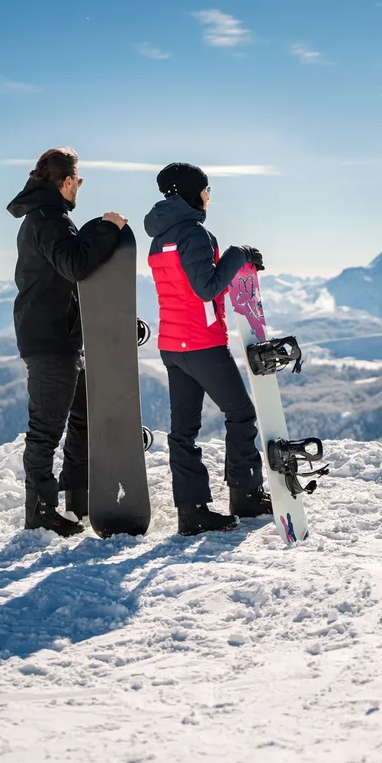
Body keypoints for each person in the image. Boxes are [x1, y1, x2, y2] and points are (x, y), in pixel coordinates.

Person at [144, 162, 273, 536]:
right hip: (202, 344)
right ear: (191, 192)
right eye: (206, 189)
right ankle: (246, 495)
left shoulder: (159, 238)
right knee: (241, 414)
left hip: (172, 344)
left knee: (183, 431)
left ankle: (193, 512)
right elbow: (206, 288)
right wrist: (238, 254)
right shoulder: (195, 235)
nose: (209, 196)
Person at [8, 147, 130, 536]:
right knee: (46, 429)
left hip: (56, 335)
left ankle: (78, 495)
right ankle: (40, 512)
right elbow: (74, 264)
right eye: (78, 181)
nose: (79, 188)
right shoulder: (49, 219)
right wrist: (107, 228)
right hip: (49, 340)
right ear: (66, 182)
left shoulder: (47, 217)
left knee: (82, 415)